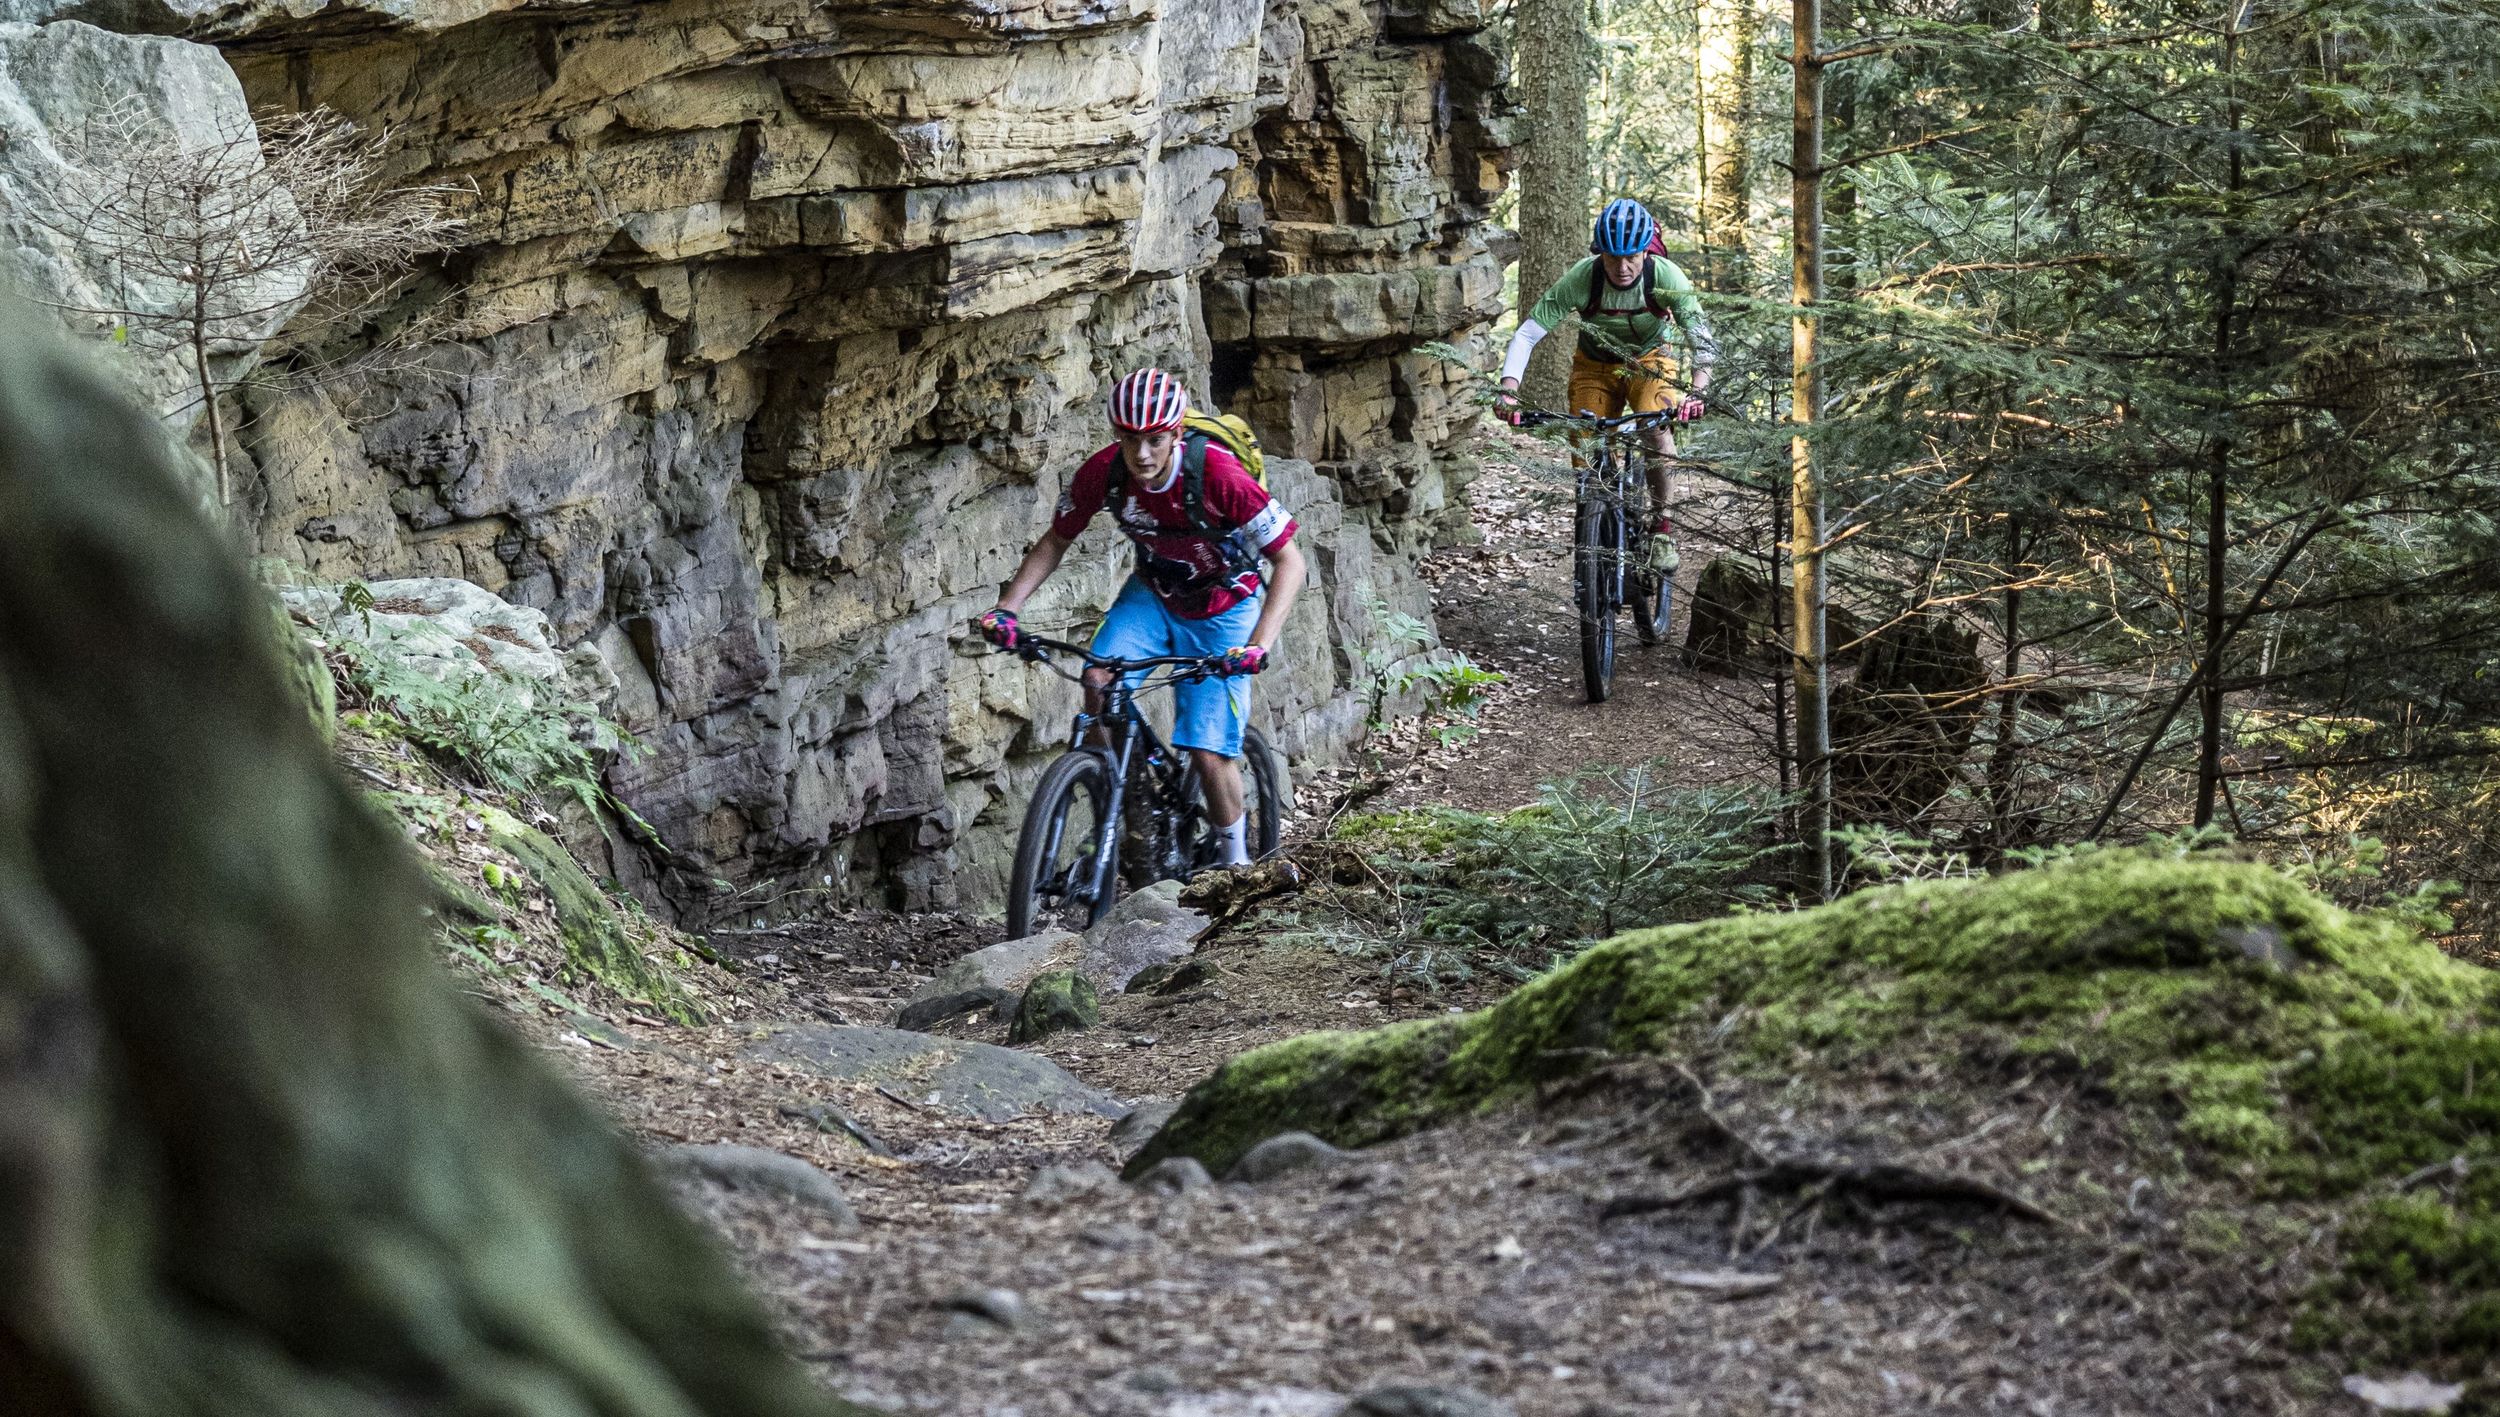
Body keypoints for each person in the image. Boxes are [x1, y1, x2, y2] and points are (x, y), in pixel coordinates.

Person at [976, 367, 1304, 868]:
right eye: (1131, 440)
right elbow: (1057, 540)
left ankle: (1239, 869)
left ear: (1175, 433)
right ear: (1117, 437)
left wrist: (1258, 644)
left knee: (1206, 750)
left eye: (1155, 440)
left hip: (1224, 609)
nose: (1143, 454)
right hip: (1153, 595)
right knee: (1098, 680)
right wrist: (1008, 607)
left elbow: (1290, 562)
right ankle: (1126, 812)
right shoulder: (1104, 472)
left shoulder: (1219, 475)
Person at [1496, 197, 1717, 566]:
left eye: (1632, 256)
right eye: (1613, 257)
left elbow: (1701, 336)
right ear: (1600, 253)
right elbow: (1527, 334)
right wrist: (1509, 390)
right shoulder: (1584, 277)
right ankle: (1597, 522)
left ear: (1646, 251)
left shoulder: (1664, 276)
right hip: (1594, 366)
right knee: (1587, 446)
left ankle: (1662, 528)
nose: (1623, 267)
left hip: (1650, 361)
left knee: (1655, 427)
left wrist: (1697, 391)